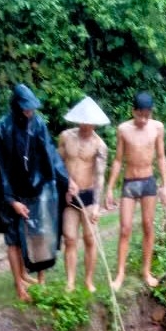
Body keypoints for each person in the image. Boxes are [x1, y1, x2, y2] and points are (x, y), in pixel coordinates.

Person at [0, 84, 78, 302]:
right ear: (16, 107)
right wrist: (10, 200)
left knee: (38, 233)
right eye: (26, 109)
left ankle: (40, 278)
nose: (30, 112)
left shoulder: (37, 123)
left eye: (32, 108)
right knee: (13, 240)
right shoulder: (1, 128)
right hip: (10, 190)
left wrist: (68, 180)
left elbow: (50, 154)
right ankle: (19, 284)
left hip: (33, 187)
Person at [105, 91, 166, 290]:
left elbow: (160, 157)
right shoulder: (123, 129)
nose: (143, 119)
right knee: (125, 228)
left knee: (148, 226)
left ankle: (146, 271)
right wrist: (109, 189)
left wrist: (165, 185)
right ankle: (120, 274)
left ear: (151, 113)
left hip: (149, 181)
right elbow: (117, 160)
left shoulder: (157, 127)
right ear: (133, 111)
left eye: (147, 115)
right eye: (139, 115)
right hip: (130, 183)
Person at [58, 96, 109, 292]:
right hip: (70, 196)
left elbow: (100, 175)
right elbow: (58, 165)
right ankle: (70, 281)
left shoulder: (99, 145)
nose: (87, 126)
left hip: (88, 196)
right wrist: (66, 183)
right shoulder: (65, 137)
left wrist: (97, 205)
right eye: (83, 122)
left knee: (90, 239)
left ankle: (88, 280)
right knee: (70, 238)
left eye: (90, 123)